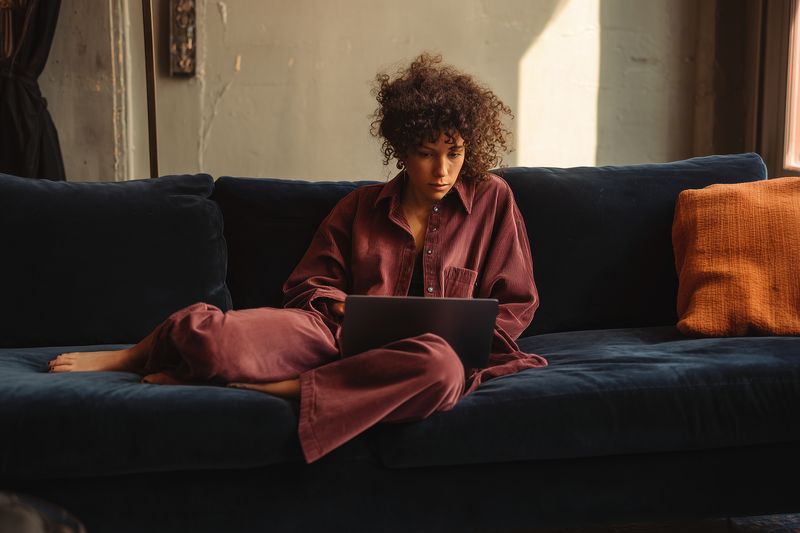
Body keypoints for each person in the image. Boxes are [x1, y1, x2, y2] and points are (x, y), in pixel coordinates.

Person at [48, 53, 547, 463]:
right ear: (401, 148)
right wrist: (339, 307)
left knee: (441, 373)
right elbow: (307, 285)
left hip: (425, 356)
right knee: (222, 338)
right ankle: (137, 353)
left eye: (455, 152)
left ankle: (284, 389)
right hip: (333, 338)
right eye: (426, 153)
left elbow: (516, 303)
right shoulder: (359, 207)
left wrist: (467, 334)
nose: (443, 169)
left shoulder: (494, 200)